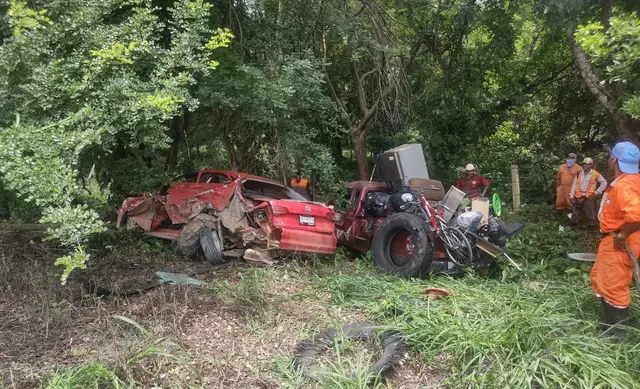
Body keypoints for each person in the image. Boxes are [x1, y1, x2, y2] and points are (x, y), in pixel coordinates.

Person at [590, 141, 640, 337]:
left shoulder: (625, 184)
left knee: (614, 283)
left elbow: (635, 215)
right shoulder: (633, 180)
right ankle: (609, 322)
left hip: (622, 240)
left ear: (614, 161)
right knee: (602, 277)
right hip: (616, 238)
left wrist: (622, 235)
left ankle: (618, 332)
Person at [570, 157, 607, 228]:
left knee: (590, 212)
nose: (585, 165)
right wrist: (571, 196)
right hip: (578, 195)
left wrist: (596, 192)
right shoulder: (579, 173)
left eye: (587, 164)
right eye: (584, 164)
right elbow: (574, 185)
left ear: (591, 165)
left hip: (589, 196)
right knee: (575, 211)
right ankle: (574, 224)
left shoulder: (595, 174)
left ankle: (592, 225)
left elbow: (604, 183)